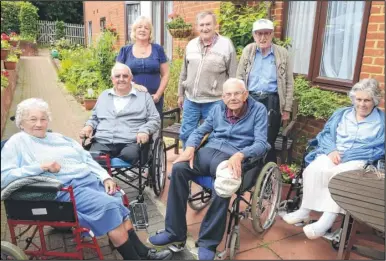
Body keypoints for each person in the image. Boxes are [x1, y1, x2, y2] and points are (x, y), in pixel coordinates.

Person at [0, 98, 172, 260]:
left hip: (89, 181)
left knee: (116, 197)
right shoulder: (17, 143)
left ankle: (143, 252)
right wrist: (41, 167)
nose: (39, 124)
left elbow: (86, 158)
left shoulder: (58, 138)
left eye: (43, 119)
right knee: (110, 206)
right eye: (33, 119)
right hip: (65, 190)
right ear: (21, 122)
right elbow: (5, 176)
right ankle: (134, 257)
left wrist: (105, 177)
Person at [148, 78, 270, 260]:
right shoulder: (218, 108)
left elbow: (261, 143)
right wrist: (190, 147)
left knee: (225, 182)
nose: (233, 98)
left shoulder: (258, 110)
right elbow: (199, 131)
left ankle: (208, 242)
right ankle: (174, 232)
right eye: (228, 94)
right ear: (223, 97)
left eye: (237, 93)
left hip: (233, 157)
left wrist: (241, 154)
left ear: (245, 95)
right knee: (180, 168)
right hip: (210, 152)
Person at [282, 78, 385, 239]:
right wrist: (331, 150)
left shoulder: (381, 121)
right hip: (334, 153)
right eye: (358, 99)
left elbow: (379, 148)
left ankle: (325, 222)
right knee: (313, 169)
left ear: (375, 101)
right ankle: (304, 210)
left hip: (360, 159)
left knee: (339, 176)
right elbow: (326, 134)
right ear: (353, 98)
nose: (362, 104)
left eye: (367, 100)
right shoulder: (341, 114)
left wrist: (351, 155)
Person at [236, 18, 294, 163]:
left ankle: (266, 171)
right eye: (259, 34)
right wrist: (239, 100)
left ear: (272, 34)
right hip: (250, 99)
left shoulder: (282, 53)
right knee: (247, 134)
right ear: (254, 35)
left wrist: (286, 108)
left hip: (272, 100)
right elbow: (239, 77)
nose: (263, 37)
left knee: (268, 138)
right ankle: (250, 168)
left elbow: (288, 82)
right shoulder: (248, 51)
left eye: (266, 33)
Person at [79, 62, 160, 164]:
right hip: (104, 140)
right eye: (117, 76)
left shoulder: (143, 96)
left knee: (130, 156)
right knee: (93, 157)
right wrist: (89, 126)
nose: (121, 79)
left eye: (125, 76)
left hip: (130, 142)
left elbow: (155, 119)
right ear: (112, 79)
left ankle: (107, 167)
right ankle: (106, 171)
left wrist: (145, 130)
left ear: (131, 78)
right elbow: (94, 117)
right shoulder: (104, 95)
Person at [178, 11, 238, 147]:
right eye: (202, 25)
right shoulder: (191, 45)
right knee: (186, 133)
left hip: (214, 101)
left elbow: (233, 75)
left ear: (215, 25)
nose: (205, 28)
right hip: (191, 100)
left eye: (208, 24)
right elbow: (184, 72)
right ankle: (187, 165)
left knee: (211, 135)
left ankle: (204, 165)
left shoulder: (226, 45)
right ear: (197, 27)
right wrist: (180, 94)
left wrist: (230, 99)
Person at [116, 16, 169, 116]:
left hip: (154, 100)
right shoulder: (125, 51)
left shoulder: (158, 49)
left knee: (153, 128)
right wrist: (133, 85)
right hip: (130, 98)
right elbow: (117, 75)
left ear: (150, 32)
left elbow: (165, 74)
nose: (142, 30)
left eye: (146, 28)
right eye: (139, 27)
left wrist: (158, 95)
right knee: (131, 127)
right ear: (134, 31)